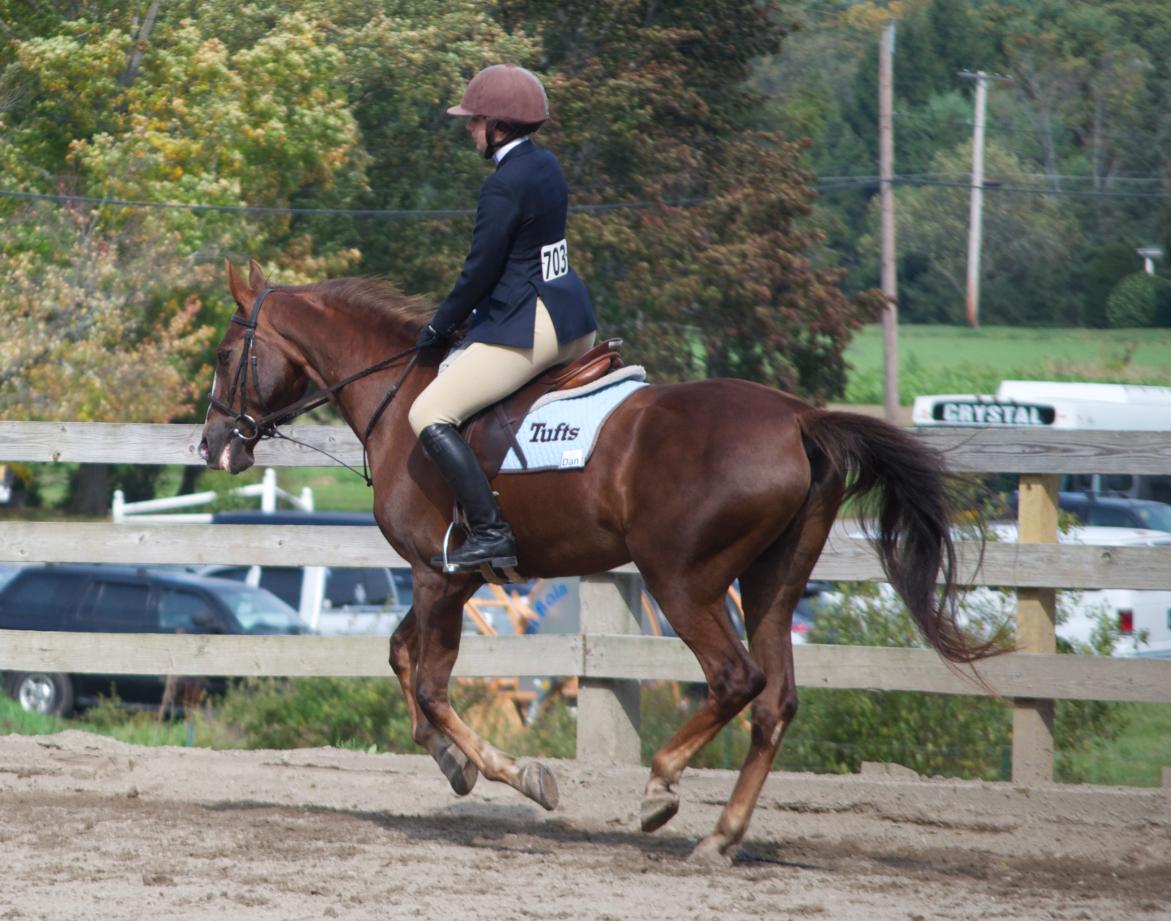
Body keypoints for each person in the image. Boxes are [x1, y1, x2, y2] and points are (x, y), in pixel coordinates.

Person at [408, 64, 598, 573]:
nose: (469, 128)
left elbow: (480, 270)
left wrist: (439, 326)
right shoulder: (546, 165)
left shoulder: (503, 185)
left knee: (428, 413)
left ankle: (492, 532)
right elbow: (522, 259)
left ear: (499, 126)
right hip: (573, 321)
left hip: (530, 327)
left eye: (475, 120)